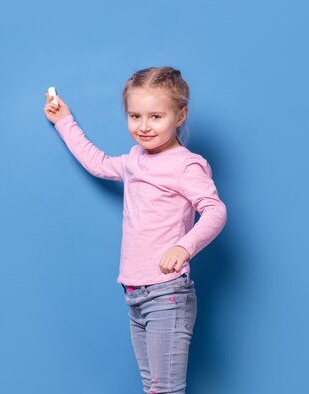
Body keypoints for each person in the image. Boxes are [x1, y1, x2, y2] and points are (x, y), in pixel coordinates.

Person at [43, 67, 227, 394]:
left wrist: (184, 247)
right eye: (135, 116)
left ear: (180, 115)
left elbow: (215, 210)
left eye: (156, 116)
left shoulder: (185, 165)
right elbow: (98, 163)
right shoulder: (134, 160)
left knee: (166, 390)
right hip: (134, 292)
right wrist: (64, 121)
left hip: (167, 293)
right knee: (152, 388)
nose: (143, 126)